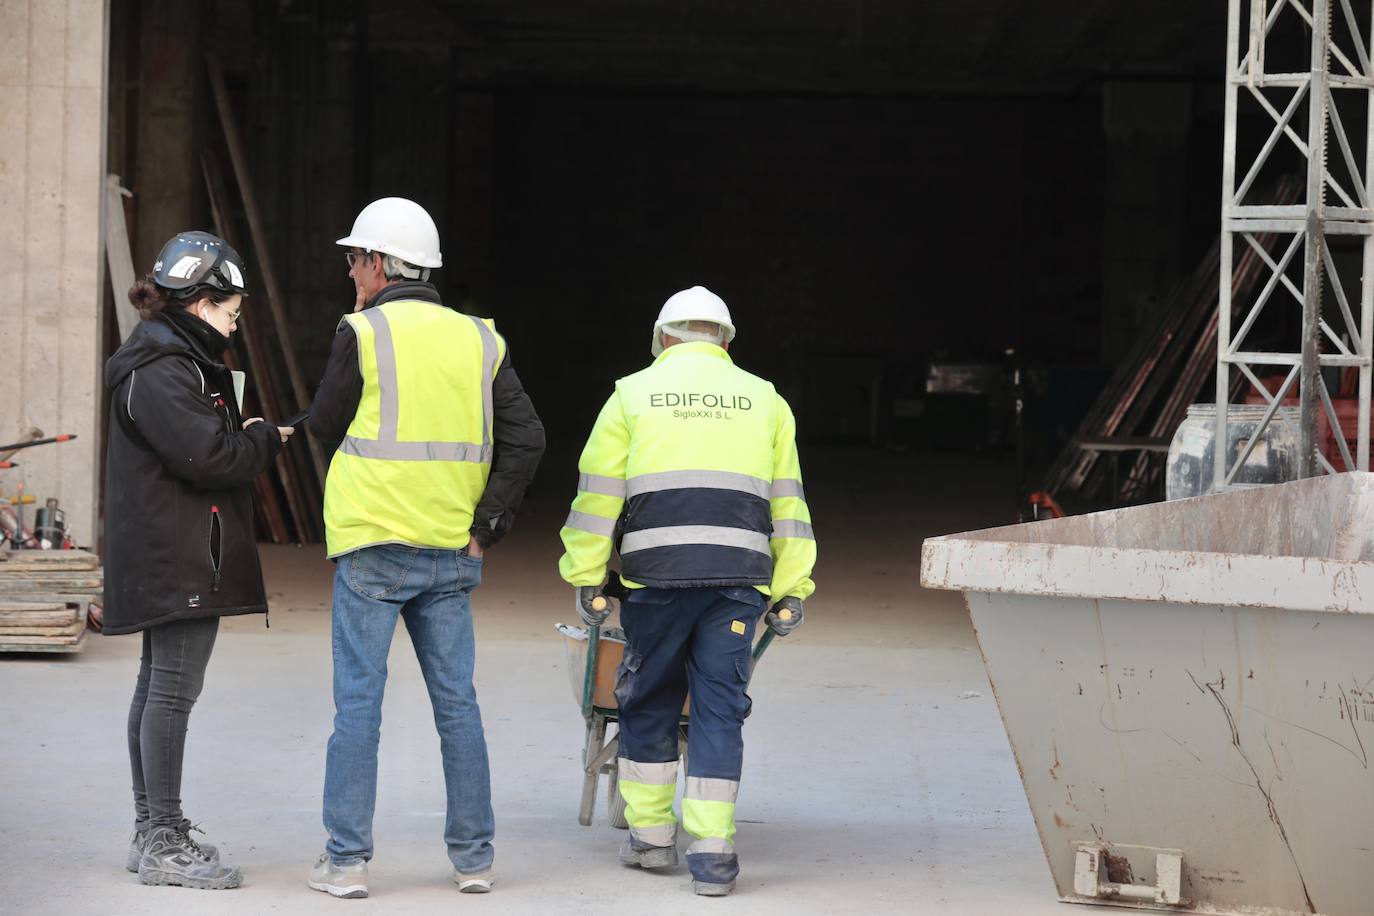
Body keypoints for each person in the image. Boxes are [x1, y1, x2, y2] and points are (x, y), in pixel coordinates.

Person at [307, 197, 545, 899]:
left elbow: (325, 422)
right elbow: (527, 437)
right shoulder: (481, 341)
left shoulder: (363, 332)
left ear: (380, 264)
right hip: (450, 548)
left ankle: (346, 863)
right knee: (458, 706)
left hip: (374, 547)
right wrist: (488, 524)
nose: (351, 273)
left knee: (358, 705)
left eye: (355, 259)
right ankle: (474, 859)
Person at [558, 286, 817, 896]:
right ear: (726, 341)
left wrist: (588, 577)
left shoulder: (631, 394)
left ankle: (651, 840)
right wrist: (790, 588)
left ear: (663, 339)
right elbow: (789, 504)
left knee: (648, 700)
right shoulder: (766, 400)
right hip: (738, 586)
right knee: (718, 708)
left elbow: (597, 501)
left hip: (658, 580)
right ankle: (713, 851)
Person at [103, 231, 294, 890]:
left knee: (158, 687)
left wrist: (238, 436)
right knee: (172, 694)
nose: (237, 322)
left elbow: (203, 445)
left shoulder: (171, 358)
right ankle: (162, 839)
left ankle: (148, 832)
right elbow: (209, 458)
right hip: (179, 556)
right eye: (232, 310)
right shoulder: (162, 369)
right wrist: (262, 438)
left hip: (173, 549)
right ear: (200, 301)